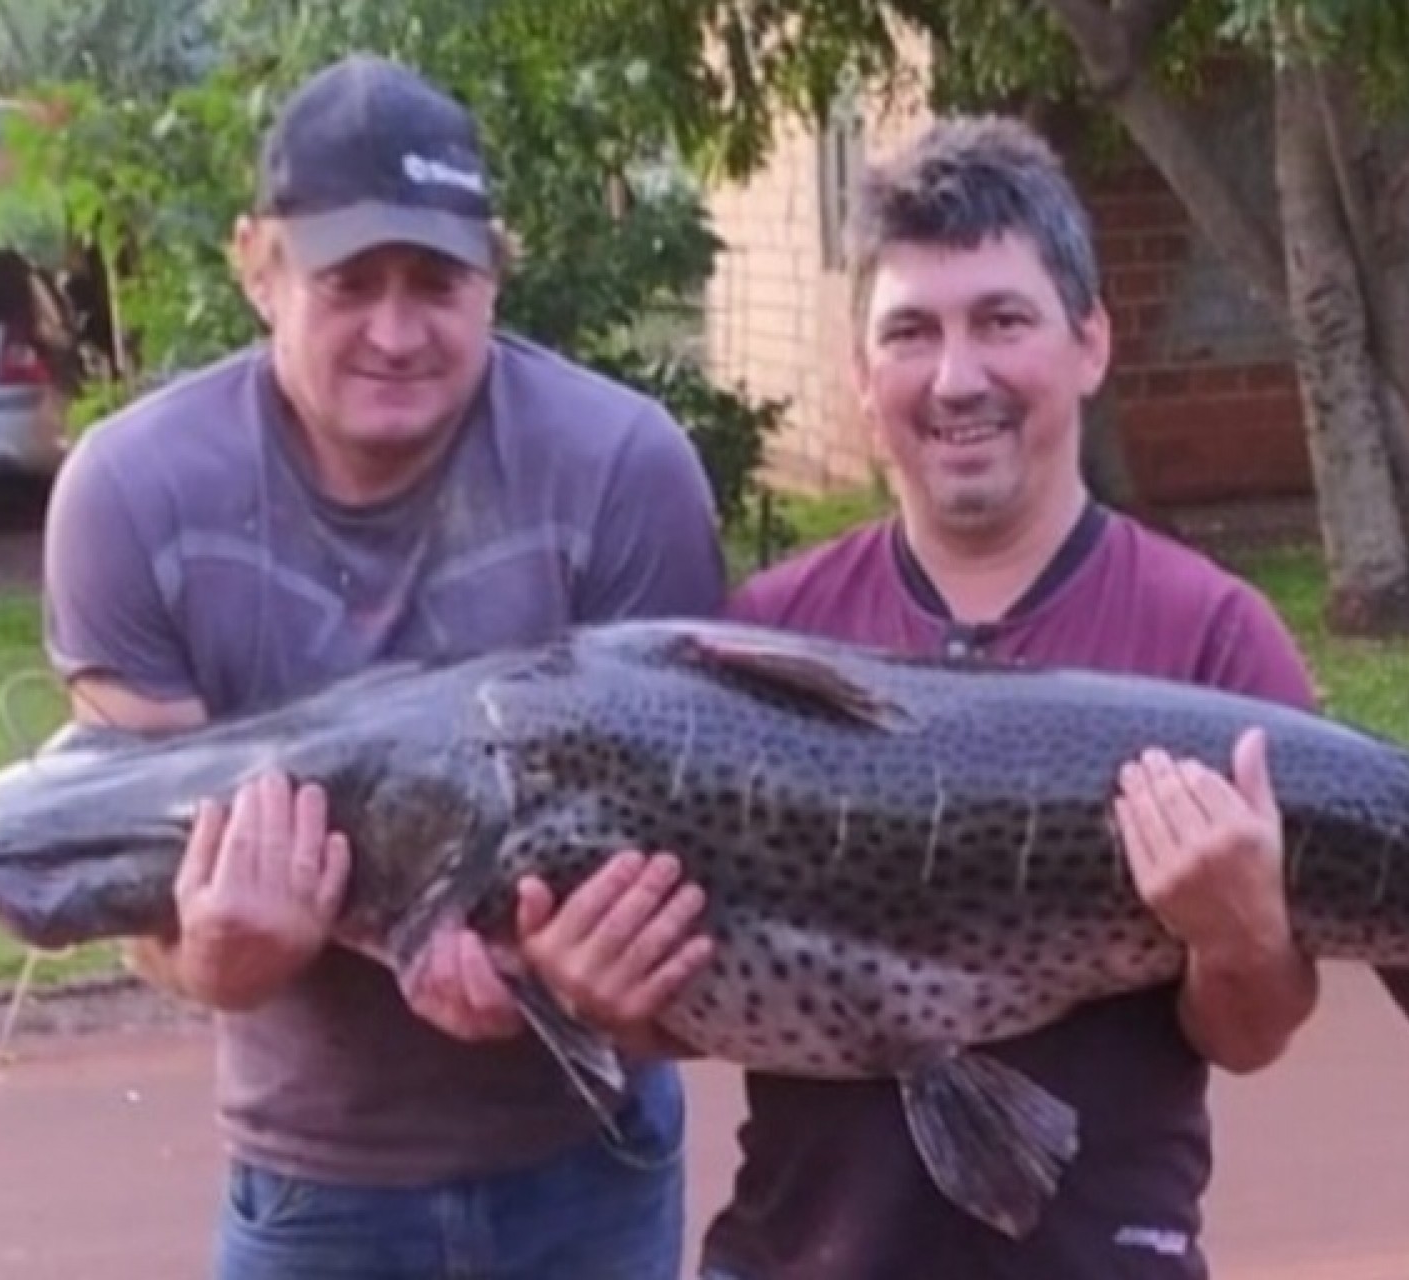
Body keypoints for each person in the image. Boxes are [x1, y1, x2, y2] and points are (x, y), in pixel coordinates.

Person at [513, 113, 1324, 1278]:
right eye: (911, 331)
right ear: (861, 374)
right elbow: (669, 1011)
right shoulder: (756, 640)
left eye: (1002, 320)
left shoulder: (1210, 635)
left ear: (1089, 342)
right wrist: (606, 994)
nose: (957, 378)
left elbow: (1250, 1032)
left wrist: (1239, 931)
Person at [38, 52, 727, 1280]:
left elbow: (696, 845)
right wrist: (213, 960)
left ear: (495, 271)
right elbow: (128, 874)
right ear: (258, 266)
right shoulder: (129, 492)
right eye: (350, 282)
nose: (397, 332)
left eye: (438, 281)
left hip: (591, 1156)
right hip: (314, 1181)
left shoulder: (627, 468)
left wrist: (562, 988)